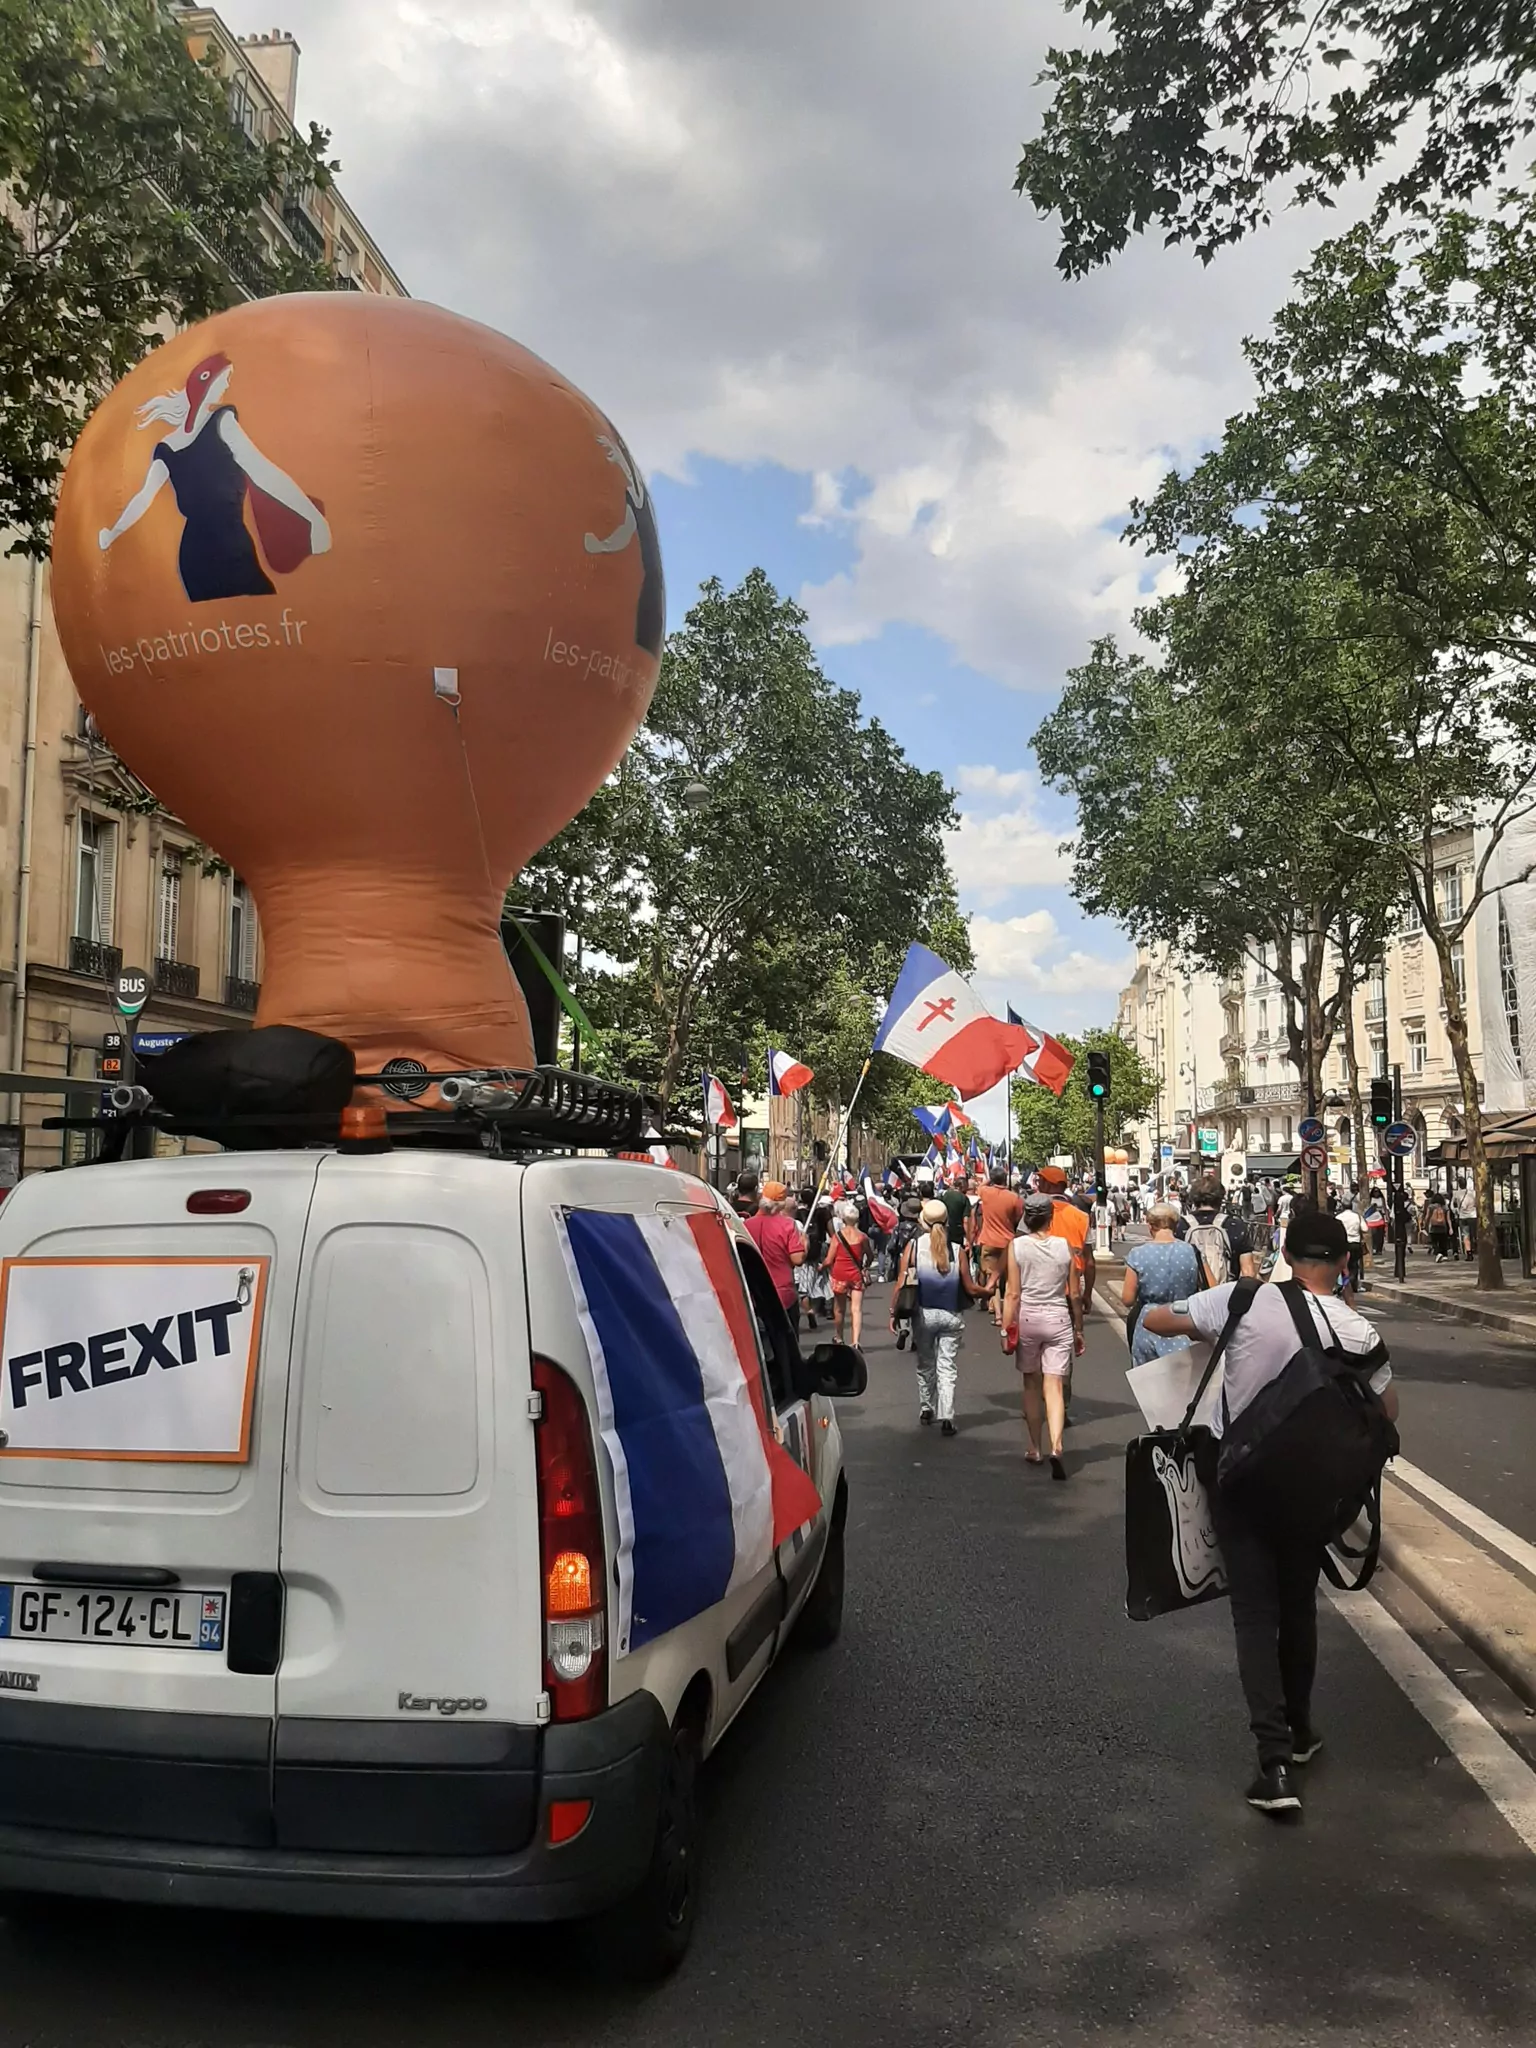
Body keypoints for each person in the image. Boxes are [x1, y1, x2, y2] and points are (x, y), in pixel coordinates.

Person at [1142, 1211, 1397, 1819]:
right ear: (1344, 1263)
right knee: (1298, 1606)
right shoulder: (1358, 1330)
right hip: (1312, 1492)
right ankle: (1302, 1731)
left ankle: (1273, 1762)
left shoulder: (1244, 1299)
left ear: (1285, 1253)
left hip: (1244, 1480)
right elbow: (1387, 1409)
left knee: (1255, 1615)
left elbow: (1157, 1319)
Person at [892, 1198, 991, 1434]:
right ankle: (947, 1415)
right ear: (947, 1222)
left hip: (924, 1315)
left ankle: (926, 1407)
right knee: (947, 1367)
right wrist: (988, 1290)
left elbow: (901, 1283)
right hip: (951, 1315)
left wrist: (894, 1312)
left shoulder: (914, 1247)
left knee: (925, 1363)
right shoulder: (957, 1250)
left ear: (922, 1222)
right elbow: (970, 1288)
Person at [1003, 1193, 1085, 1478]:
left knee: (1031, 1384)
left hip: (1029, 1318)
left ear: (1026, 1218)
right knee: (1055, 1385)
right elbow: (1074, 1293)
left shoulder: (1017, 1246)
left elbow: (1013, 1293)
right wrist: (1078, 1328)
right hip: (1059, 1318)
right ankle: (1057, 1445)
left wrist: (1005, 1327)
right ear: (1051, 1217)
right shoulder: (1064, 1246)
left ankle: (1035, 1447)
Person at [1122, 1204, 1205, 1363]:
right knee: (1184, 1374)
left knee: (1148, 1376)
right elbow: (1212, 1287)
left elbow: (1127, 1299)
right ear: (1176, 1225)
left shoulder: (1137, 1254)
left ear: (1150, 1226)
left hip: (1149, 1323)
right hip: (1183, 1320)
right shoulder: (1192, 1251)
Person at [744, 1181, 807, 1330]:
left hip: (754, 1292)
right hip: (782, 1292)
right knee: (786, 1338)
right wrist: (804, 1244)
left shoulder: (746, 1225)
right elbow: (797, 1259)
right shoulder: (788, 1225)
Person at [975, 1166, 1024, 1328]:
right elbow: (1018, 1218)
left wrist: (990, 1178)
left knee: (992, 1279)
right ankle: (1011, 1314)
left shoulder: (985, 1192)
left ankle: (998, 1315)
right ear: (1005, 1179)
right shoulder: (1014, 1197)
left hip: (989, 1241)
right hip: (1008, 1242)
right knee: (1011, 1280)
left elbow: (980, 1186)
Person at [1186, 1177, 1257, 1287]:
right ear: (1221, 1198)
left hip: (1190, 1294)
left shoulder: (1180, 1225)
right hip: (1226, 1292)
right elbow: (1248, 1272)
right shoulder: (1235, 1225)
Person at [823, 1198, 870, 1346]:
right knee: (856, 1309)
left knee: (839, 1308)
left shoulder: (837, 1236)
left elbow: (829, 1260)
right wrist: (865, 1266)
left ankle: (839, 1336)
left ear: (843, 1219)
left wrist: (822, 1266)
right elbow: (870, 1255)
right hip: (856, 1274)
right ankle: (856, 1341)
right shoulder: (862, 1237)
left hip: (840, 1274)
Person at [1338, 1193, 1365, 1295]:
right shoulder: (1357, 1217)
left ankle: (1344, 1284)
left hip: (1344, 1244)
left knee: (1344, 1265)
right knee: (1354, 1265)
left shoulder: (1339, 1217)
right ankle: (1353, 1284)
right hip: (1355, 1242)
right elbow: (1365, 1229)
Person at [1423, 1187, 1454, 1262]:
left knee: (1434, 1241)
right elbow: (1448, 1219)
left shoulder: (1431, 1206)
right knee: (1443, 1241)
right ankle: (1444, 1254)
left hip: (1433, 1226)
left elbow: (1427, 1216)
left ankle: (1438, 1253)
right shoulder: (1445, 1207)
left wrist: (1425, 1224)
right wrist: (1450, 1228)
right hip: (1443, 1227)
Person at [1456, 1177, 1479, 1261]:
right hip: (1473, 1216)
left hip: (1463, 1217)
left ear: (1459, 1185)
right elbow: (1477, 1204)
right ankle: (1476, 1249)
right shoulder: (1473, 1193)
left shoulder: (1457, 1194)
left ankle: (1469, 1253)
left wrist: (1457, 1211)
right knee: (1474, 1234)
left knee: (1466, 1235)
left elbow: (1453, 1206)